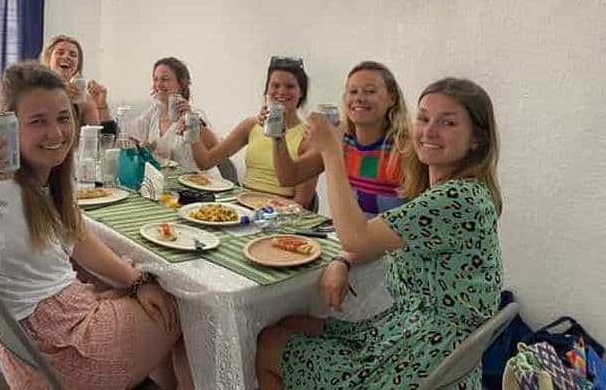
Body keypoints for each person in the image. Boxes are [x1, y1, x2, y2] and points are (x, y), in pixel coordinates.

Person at [0, 62, 193, 390]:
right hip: (60, 354)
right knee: (185, 310)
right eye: (38, 121)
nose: (55, 133)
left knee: (151, 293)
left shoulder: (47, 177)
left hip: (42, 343)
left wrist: (137, 281)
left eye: (63, 118)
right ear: (10, 127)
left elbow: (77, 237)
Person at [256, 77, 503, 390]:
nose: (429, 131)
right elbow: (377, 236)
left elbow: (357, 237)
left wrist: (331, 152)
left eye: (448, 123)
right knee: (290, 324)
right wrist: (343, 260)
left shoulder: (456, 197)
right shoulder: (454, 191)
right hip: (414, 333)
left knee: (268, 344)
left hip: (426, 356)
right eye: (424, 118)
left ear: (476, 139)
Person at [273, 61, 410, 217]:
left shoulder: (405, 148)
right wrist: (277, 133)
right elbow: (289, 177)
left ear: (392, 98)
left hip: (387, 234)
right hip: (346, 232)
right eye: (353, 91)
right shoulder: (341, 140)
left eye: (370, 91)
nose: (359, 98)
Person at [191, 56, 318, 208]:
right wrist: (192, 130)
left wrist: (266, 208)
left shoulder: (308, 137)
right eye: (275, 85)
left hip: (279, 212)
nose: (281, 91)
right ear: (267, 90)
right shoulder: (251, 125)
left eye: (290, 86)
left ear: (301, 92)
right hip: (242, 205)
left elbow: (302, 203)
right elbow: (205, 162)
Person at [129, 57, 219, 172]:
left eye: (164, 79)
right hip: (166, 180)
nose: (158, 84)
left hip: (197, 180)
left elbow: (214, 148)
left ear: (181, 84)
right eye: (155, 79)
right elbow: (129, 135)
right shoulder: (153, 112)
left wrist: (191, 119)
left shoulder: (195, 114)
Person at [40, 35, 116, 135]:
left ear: (78, 65)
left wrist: (101, 105)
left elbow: (105, 137)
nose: (66, 57)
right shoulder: (34, 90)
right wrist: (57, 94)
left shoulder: (82, 99)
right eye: (60, 52)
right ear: (48, 59)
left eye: (73, 55)